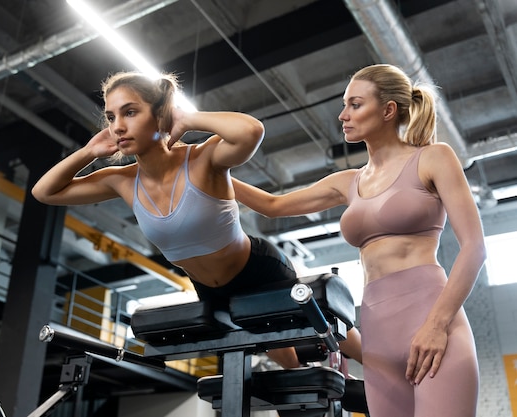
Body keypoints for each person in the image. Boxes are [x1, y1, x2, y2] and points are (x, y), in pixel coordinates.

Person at [231, 64, 485, 417]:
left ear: (387, 110)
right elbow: (273, 206)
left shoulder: (433, 157)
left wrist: (437, 325)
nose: (343, 115)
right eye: (345, 105)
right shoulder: (348, 181)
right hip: (377, 334)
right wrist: (201, 170)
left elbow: (475, 247)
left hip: (431, 319)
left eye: (355, 104)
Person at [32, 70, 308, 369]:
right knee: (287, 365)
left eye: (131, 112)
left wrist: (188, 119)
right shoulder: (120, 180)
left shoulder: (203, 158)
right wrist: (88, 152)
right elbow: (44, 192)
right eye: (111, 117)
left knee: (330, 326)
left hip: (258, 269)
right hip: (211, 290)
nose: (118, 126)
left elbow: (250, 131)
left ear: (160, 115)